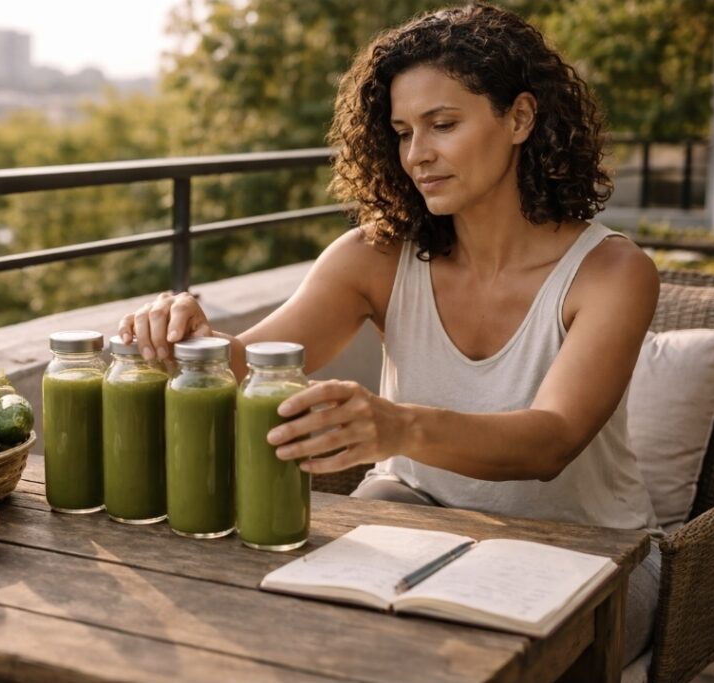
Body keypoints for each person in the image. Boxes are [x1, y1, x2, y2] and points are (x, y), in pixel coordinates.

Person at [118, 3, 660, 666]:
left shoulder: (611, 272)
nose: (417, 155)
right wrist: (184, 337)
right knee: (284, 634)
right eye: (403, 131)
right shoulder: (373, 257)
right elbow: (243, 365)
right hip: (412, 525)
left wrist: (394, 427)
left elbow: (552, 439)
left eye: (443, 124)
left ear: (520, 117)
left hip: (592, 553)